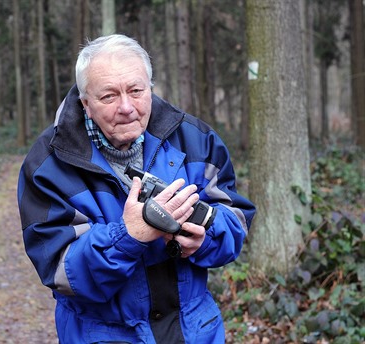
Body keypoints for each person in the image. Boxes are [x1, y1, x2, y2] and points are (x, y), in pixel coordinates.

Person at [17, 34, 256, 343]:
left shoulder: (196, 139)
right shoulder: (48, 166)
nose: (127, 107)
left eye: (136, 90)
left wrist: (204, 237)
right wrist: (128, 236)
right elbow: (61, 272)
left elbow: (236, 218)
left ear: (150, 87)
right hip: (103, 334)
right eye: (109, 97)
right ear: (85, 103)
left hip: (195, 330)